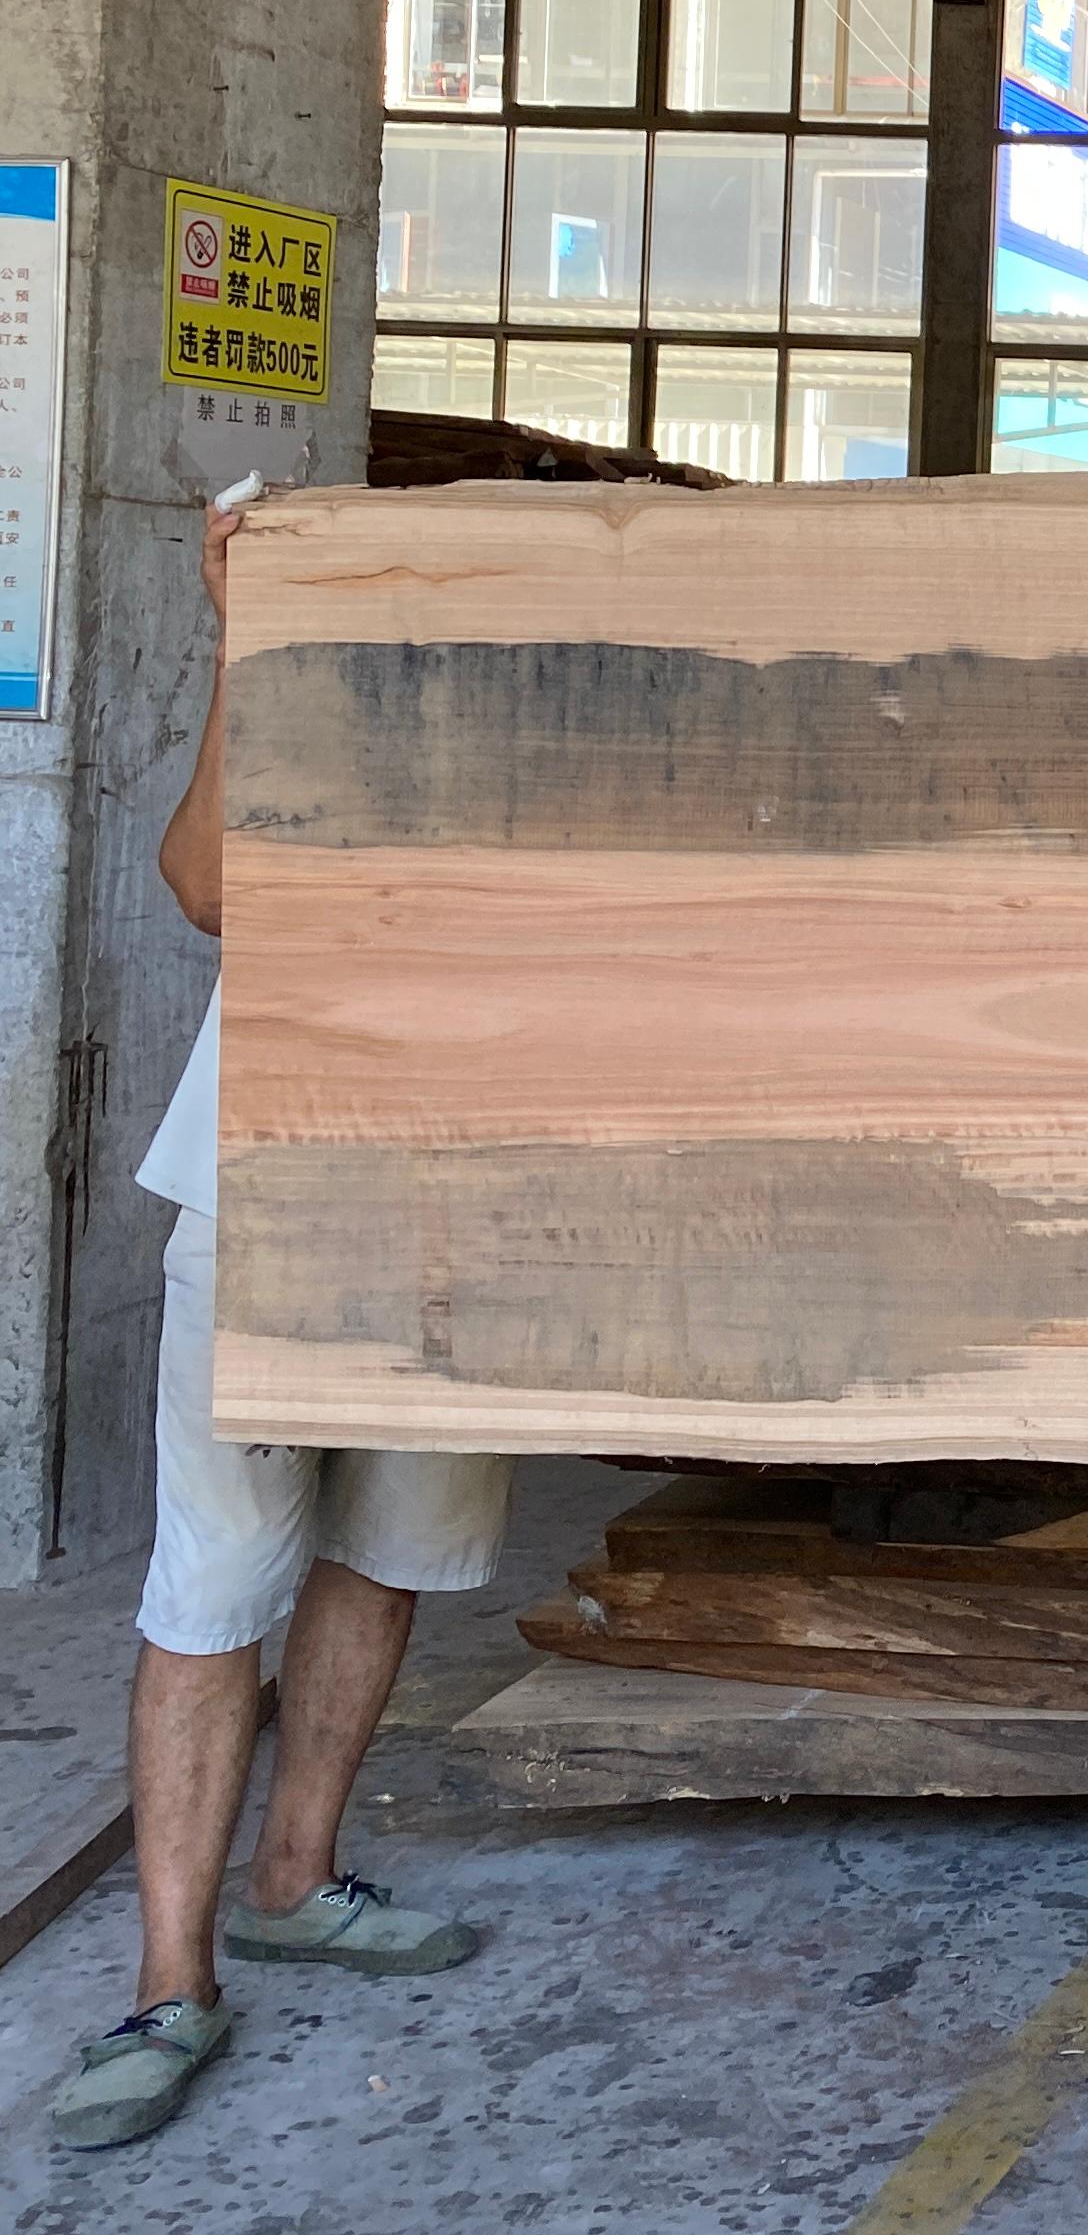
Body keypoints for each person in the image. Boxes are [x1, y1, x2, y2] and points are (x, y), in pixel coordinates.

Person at [50, 497, 516, 2152]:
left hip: (476, 1206)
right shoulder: (323, 698)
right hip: (272, 1182)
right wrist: (247, 637)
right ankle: (168, 1984)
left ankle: (294, 1877)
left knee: (389, 1555)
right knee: (213, 1585)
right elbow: (201, 885)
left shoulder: (558, 757)